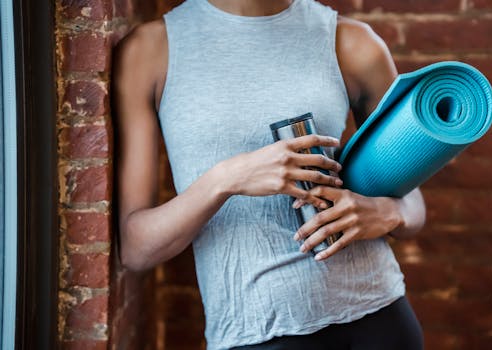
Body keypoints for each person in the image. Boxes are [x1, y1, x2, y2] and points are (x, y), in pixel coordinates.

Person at [113, 0, 426, 349]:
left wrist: (386, 213)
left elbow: (413, 205)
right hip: (255, 333)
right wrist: (228, 178)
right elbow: (136, 247)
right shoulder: (151, 50)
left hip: (378, 318)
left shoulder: (351, 42)